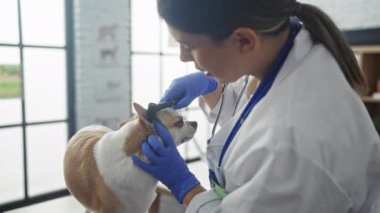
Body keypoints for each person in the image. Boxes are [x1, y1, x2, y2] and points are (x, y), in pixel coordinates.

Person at [132, 0, 380, 212]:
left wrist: (185, 187)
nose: (183, 57)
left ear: (244, 40)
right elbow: (255, 112)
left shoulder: (291, 147)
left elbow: (268, 135)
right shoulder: (284, 45)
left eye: (190, 46)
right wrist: (213, 89)